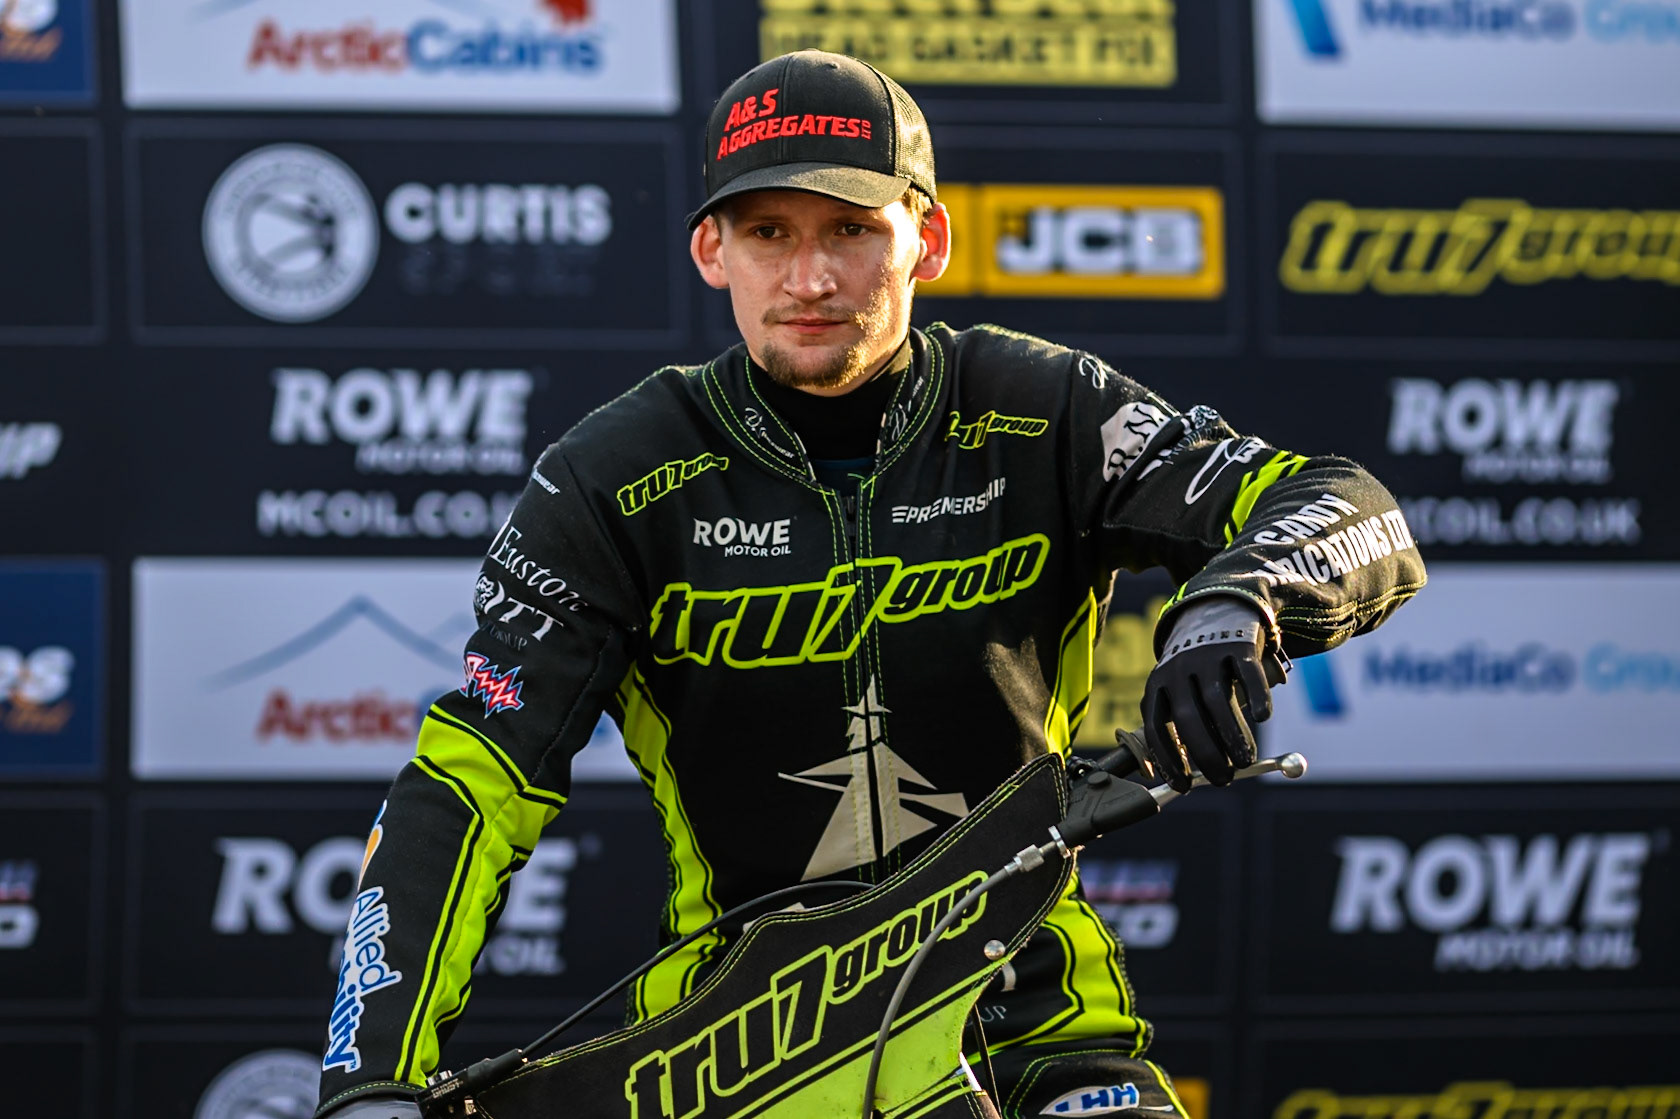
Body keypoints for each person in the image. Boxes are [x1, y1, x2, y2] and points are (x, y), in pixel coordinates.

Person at [314, 49, 1426, 1119]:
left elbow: (1345, 504)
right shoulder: (616, 476)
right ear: (712, 250)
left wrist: (1241, 598)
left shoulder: (1039, 411)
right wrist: (370, 1080)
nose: (810, 278)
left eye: (852, 229)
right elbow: (472, 781)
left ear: (927, 236)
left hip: (1033, 1019)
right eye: (768, 233)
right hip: (734, 1052)